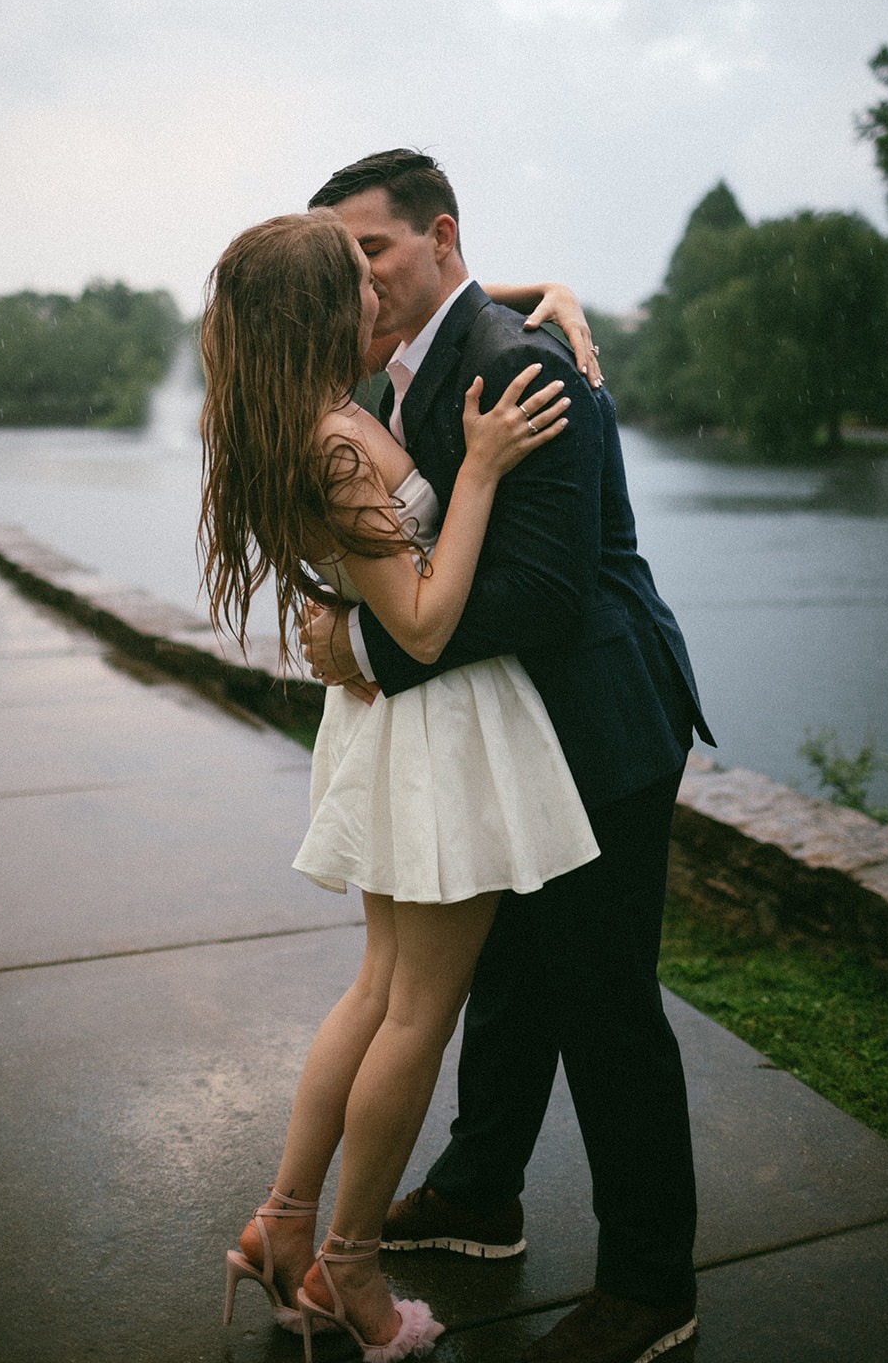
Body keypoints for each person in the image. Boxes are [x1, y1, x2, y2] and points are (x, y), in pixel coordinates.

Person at [301, 150, 716, 1363]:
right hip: (508, 732)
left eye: (371, 249)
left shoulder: (517, 365)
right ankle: (480, 1193)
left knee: (603, 1001)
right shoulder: (407, 359)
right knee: (507, 968)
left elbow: (537, 595)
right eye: (339, 257)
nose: (355, 275)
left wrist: (368, 643)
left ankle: (651, 1282)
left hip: (598, 724)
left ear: (439, 236)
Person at [199, 208, 605, 1361]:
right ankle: (349, 1271)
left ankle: (284, 1226)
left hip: (399, 731)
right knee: (414, 1010)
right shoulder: (336, 443)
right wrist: (475, 471)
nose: (376, 293)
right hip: (431, 725)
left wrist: (545, 287)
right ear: (324, 310)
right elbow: (423, 625)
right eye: (355, 279)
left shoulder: (297, 411)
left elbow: (442, 300)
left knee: (378, 991)